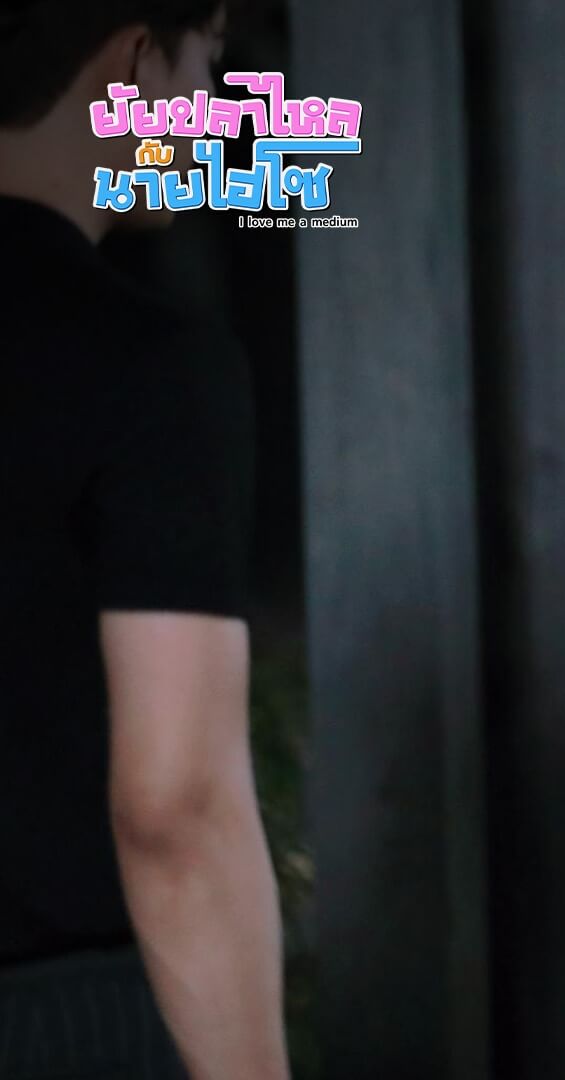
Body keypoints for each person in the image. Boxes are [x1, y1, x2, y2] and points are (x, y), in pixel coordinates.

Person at [0, 2, 291, 1077]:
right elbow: (176, 808)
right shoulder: (145, 366)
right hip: (58, 1017)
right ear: (132, 64)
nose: (214, 110)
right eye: (207, 63)